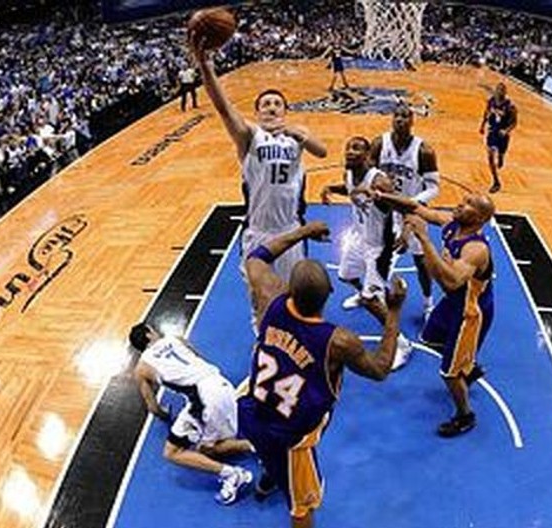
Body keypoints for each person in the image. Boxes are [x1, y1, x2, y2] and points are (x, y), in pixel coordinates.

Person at [240, 221, 406, 528]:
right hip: (291, 436)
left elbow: (257, 257)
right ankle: (279, 475)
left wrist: (302, 232)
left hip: (251, 411)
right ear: (329, 294)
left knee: (266, 446)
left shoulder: (270, 297)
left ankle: (270, 476)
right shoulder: (338, 341)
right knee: (303, 507)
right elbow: (381, 368)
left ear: (288, 287)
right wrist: (393, 313)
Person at [190, 33, 328, 283]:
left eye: (277, 103)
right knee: (260, 301)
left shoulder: (297, 135)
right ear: (257, 112)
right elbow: (223, 107)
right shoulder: (249, 136)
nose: (272, 107)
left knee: (290, 298)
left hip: (291, 229)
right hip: (258, 232)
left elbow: (322, 151)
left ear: (286, 111)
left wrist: (298, 134)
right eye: (265, 104)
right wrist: (206, 67)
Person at [372, 191, 495, 437]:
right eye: (464, 199)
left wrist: (423, 238)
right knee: (428, 338)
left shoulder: (475, 249)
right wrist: (382, 195)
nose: (461, 203)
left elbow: (451, 282)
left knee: (448, 374)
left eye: (470, 204)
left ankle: (465, 415)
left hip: (470, 312)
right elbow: (415, 206)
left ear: (481, 218)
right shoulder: (452, 224)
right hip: (453, 304)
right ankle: (467, 367)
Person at [128, 323, 254, 505]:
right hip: (221, 384)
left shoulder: (141, 369)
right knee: (217, 438)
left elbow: (153, 408)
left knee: (176, 452)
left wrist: (165, 415)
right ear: (149, 334)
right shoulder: (175, 339)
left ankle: (233, 474)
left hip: (205, 399)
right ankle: (255, 446)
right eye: (153, 330)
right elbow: (198, 358)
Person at [320, 136, 413, 369]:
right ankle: (364, 294)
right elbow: (350, 189)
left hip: (379, 246)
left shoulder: (380, 182)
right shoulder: (349, 174)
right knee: (345, 276)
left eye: (356, 148)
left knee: (373, 301)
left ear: (369, 156)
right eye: (348, 147)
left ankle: (401, 343)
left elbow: (404, 205)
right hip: (360, 237)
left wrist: (407, 230)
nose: (350, 152)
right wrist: (331, 188)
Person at [370, 104, 440, 324]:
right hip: (385, 211)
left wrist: (412, 203)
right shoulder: (379, 144)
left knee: (421, 261)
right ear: (392, 119)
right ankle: (371, 292)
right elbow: (369, 175)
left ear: (412, 121)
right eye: (397, 116)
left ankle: (428, 302)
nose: (400, 120)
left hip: (412, 211)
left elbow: (433, 187)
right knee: (378, 255)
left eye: (405, 116)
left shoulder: (424, 151)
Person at [479, 82, 518, 193]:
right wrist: (482, 125)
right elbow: (486, 113)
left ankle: (501, 156)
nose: (498, 92)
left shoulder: (510, 106)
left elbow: (514, 123)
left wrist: (506, 131)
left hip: (503, 134)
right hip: (492, 131)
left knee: (501, 152)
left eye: (501, 90)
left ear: (504, 93)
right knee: (490, 156)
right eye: (497, 90)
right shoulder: (491, 101)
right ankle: (496, 182)